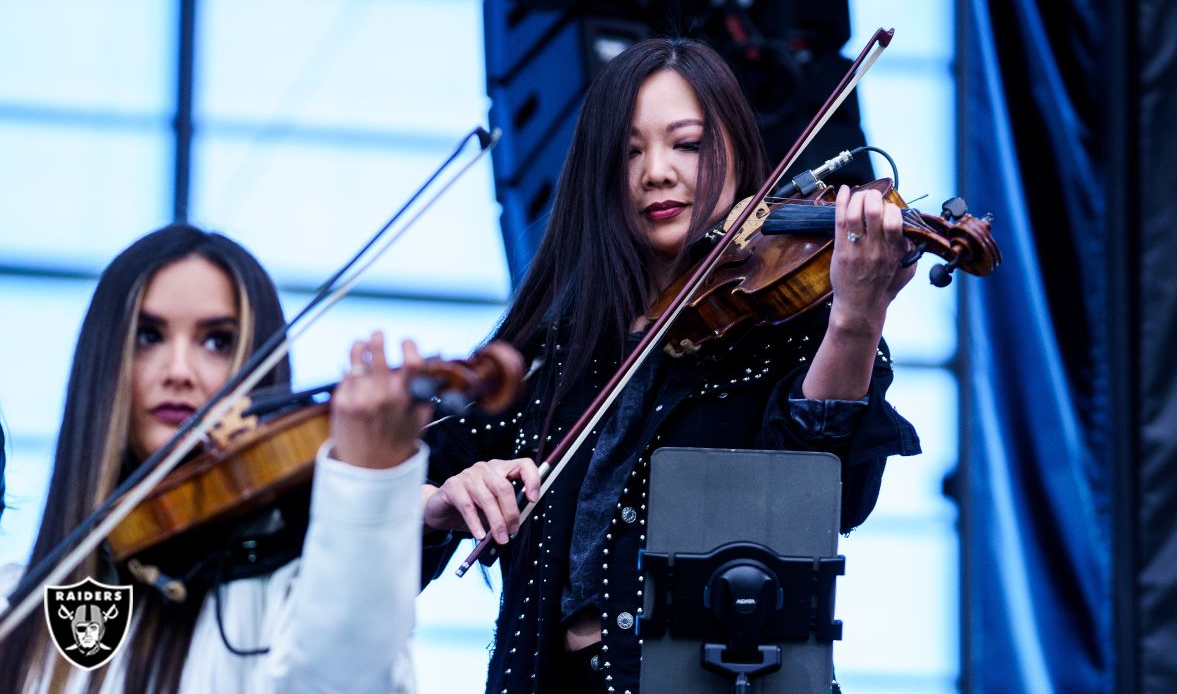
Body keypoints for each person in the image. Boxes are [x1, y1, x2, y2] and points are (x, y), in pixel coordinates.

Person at [420, 38, 923, 693]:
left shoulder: (799, 329)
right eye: (629, 151)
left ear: (740, 149)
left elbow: (818, 504)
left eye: (686, 144)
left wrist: (856, 319)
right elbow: (387, 498)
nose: (655, 171)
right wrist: (437, 506)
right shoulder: (551, 355)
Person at [0, 224, 432, 693]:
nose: (179, 372)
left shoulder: (308, 591)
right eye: (147, 336)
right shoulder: (16, 606)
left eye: (216, 342)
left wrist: (369, 488)